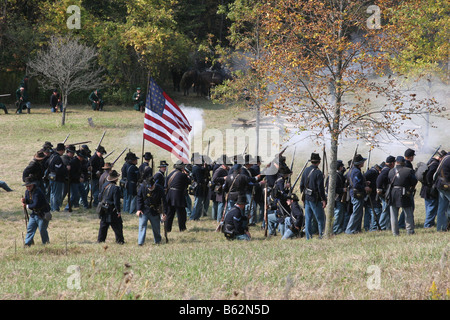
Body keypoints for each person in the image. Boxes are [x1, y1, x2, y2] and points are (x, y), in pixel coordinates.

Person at [388, 156, 418, 236]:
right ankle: (410, 231)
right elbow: (414, 181)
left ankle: (395, 233)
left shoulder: (391, 171)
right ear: (404, 162)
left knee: (393, 214)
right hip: (404, 192)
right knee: (408, 213)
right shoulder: (408, 171)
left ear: (396, 162)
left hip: (393, 193)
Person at [300, 152, 327, 239]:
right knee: (320, 219)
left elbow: (301, 185)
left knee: (308, 219)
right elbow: (320, 188)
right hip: (315, 199)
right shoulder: (318, 173)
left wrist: (303, 196)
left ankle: (308, 237)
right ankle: (321, 235)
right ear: (318, 162)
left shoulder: (306, 170)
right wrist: (324, 199)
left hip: (307, 197)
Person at [136, 177, 167, 245]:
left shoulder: (159, 189)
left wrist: (164, 213)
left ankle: (158, 241)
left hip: (155, 211)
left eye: (151, 186)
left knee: (156, 228)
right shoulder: (143, 187)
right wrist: (139, 209)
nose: (149, 188)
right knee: (142, 226)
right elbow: (139, 198)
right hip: (144, 210)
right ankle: (140, 243)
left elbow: (164, 202)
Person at [22, 177, 51, 246]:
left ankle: (46, 244)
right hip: (34, 214)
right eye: (27, 186)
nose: (28, 187)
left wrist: (27, 206)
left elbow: (35, 204)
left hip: (42, 214)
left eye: (29, 186)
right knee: (30, 229)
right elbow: (28, 200)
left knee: (42, 230)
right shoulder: (27, 192)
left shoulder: (38, 192)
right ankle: (27, 244)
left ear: (33, 184)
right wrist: (24, 201)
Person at [97, 170, 124, 244]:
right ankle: (120, 241)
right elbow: (116, 201)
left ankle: (100, 240)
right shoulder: (116, 188)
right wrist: (118, 211)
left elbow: (100, 197)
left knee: (103, 225)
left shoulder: (104, 185)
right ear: (115, 179)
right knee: (117, 226)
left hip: (104, 208)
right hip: (112, 209)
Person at [420, 150, 446, 228]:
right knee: (432, 207)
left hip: (426, 189)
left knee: (429, 207)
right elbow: (429, 176)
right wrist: (431, 184)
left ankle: (429, 223)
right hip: (430, 189)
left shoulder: (431, 162)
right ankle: (428, 225)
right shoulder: (435, 164)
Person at [345, 154, 369, 234]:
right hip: (357, 194)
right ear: (359, 163)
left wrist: (364, 182)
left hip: (354, 193)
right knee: (356, 213)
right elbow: (356, 185)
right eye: (362, 162)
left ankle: (356, 229)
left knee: (358, 213)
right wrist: (364, 187)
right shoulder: (356, 172)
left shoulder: (351, 170)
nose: (363, 163)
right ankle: (349, 230)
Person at [165, 161, 191, 233]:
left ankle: (167, 229)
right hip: (178, 195)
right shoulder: (182, 175)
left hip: (170, 195)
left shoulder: (171, 174)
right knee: (181, 213)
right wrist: (187, 175)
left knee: (170, 213)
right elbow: (189, 181)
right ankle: (182, 228)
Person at [326, 160, 347, 234]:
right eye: (342, 167)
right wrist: (343, 190)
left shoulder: (336, 175)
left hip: (337, 198)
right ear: (340, 167)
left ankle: (337, 229)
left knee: (339, 214)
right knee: (338, 214)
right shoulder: (335, 176)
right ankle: (335, 230)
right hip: (337, 198)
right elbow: (332, 189)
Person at [376, 155, 396, 230]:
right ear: (392, 163)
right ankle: (382, 226)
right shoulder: (386, 170)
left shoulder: (385, 169)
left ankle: (386, 226)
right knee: (385, 209)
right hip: (385, 192)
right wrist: (379, 189)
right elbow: (379, 179)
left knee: (386, 209)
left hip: (385, 192)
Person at [47, 143, 68, 212]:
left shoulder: (52, 156)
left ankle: (53, 207)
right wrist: (66, 168)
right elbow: (59, 170)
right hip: (57, 178)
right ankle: (55, 208)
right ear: (62, 150)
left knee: (52, 193)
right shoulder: (57, 158)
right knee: (56, 194)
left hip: (51, 177)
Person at [434, 152, 450, 231]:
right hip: (446, 185)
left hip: (441, 184)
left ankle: (440, 228)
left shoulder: (445, 158)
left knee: (442, 208)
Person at [212, 155, 230, 222]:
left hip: (225, 188)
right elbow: (214, 179)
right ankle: (219, 219)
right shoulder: (219, 170)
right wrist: (223, 178)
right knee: (221, 204)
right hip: (220, 189)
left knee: (224, 204)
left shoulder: (226, 170)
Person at [364, 163, 382, 231]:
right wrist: (367, 186)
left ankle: (367, 227)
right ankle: (373, 228)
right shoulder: (372, 172)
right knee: (375, 210)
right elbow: (363, 177)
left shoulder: (373, 172)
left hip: (370, 195)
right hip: (371, 195)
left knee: (368, 211)